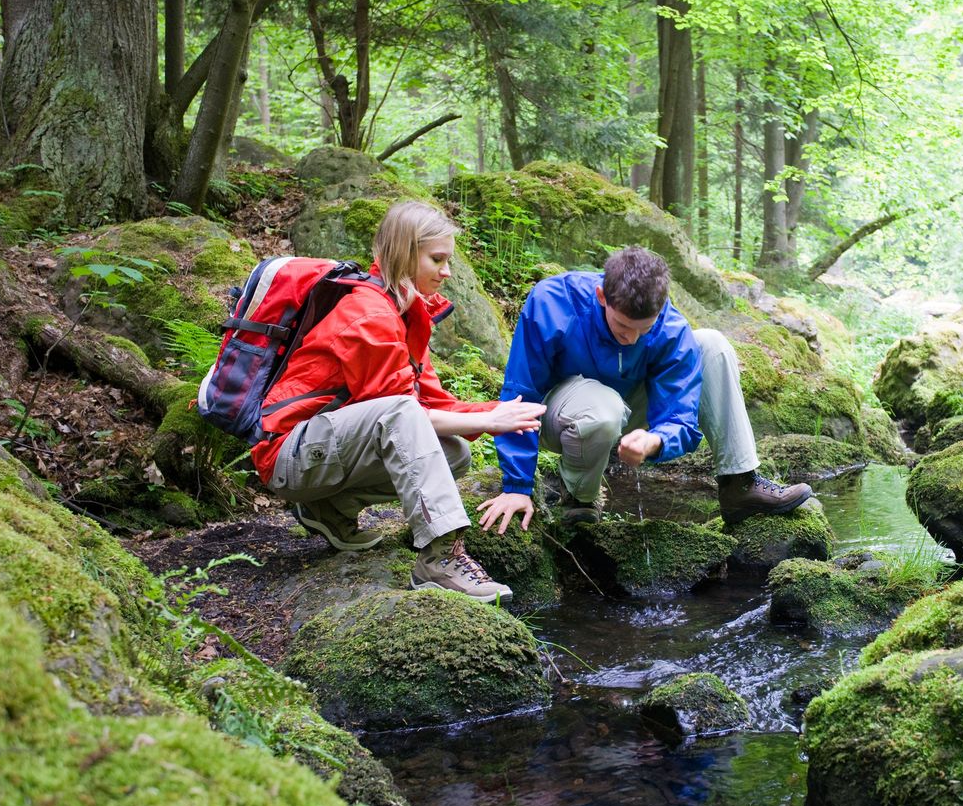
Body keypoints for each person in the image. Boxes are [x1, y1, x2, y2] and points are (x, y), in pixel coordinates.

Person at [251, 200, 544, 605]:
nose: (447, 272)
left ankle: (330, 509)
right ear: (405, 253)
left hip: (323, 451)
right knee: (403, 414)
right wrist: (493, 419)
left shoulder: (404, 313)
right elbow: (400, 411)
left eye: (448, 260)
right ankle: (440, 557)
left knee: (453, 451)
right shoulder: (368, 313)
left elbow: (431, 402)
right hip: (289, 455)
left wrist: (493, 414)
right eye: (437, 259)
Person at [476, 246, 813, 534]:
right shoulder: (553, 302)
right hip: (562, 416)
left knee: (711, 344)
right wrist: (517, 486)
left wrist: (657, 440)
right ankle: (580, 495)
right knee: (601, 408)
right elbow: (521, 394)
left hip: (629, 411)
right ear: (601, 296)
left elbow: (681, 415)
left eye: (644, 329)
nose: (631, 339)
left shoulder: (670, 327)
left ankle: (740, 484)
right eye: (622, 326)